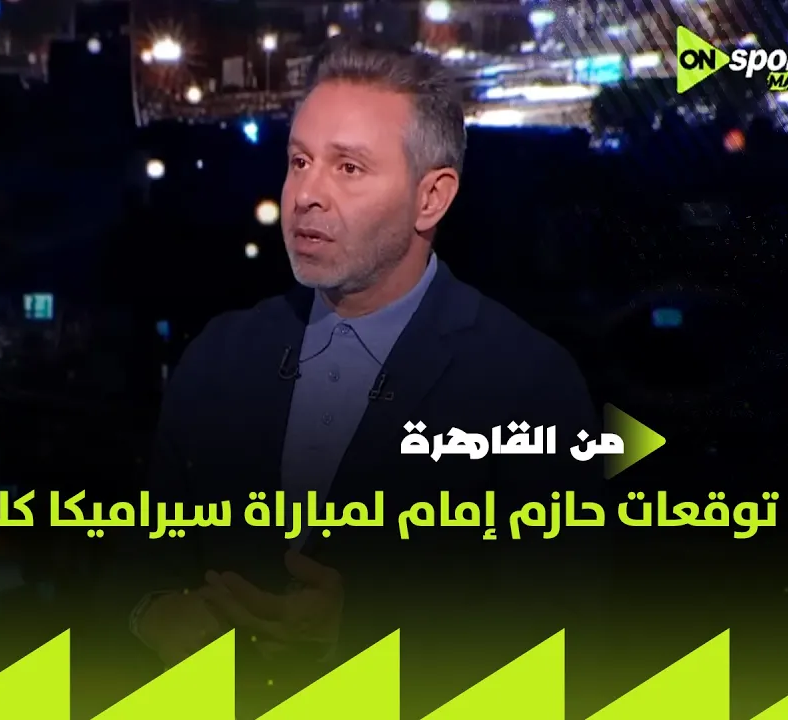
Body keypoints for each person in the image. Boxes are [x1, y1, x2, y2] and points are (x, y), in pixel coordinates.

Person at [124, 37, 606, 716]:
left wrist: (358, 638)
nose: (306, 196)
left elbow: (565, 640)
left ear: (430, 198)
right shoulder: (220, 356)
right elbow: (138, 562)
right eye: (299, 162)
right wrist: (152, 615)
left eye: (348, 168)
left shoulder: (526, 384)